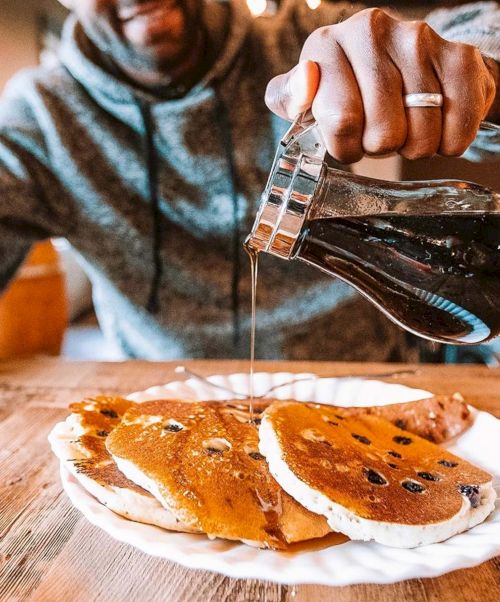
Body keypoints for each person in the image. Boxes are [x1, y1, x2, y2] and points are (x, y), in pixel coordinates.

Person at [0, 0, 498, 361]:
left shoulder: (301, 39)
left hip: (367, 381)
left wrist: (478, 73)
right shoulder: (39, 115)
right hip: (171, 403)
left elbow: (479, 28)